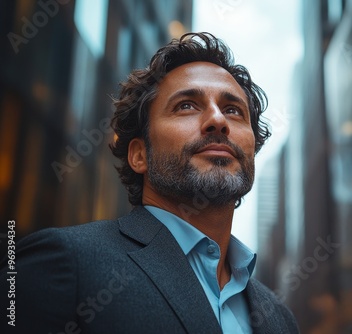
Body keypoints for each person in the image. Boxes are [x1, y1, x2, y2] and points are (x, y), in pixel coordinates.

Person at [0, 32, 299, 334]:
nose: (218, 120)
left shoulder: (281, 319)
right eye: (186, 106)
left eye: (233, 110)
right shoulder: (64, 264)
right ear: (139, 154)